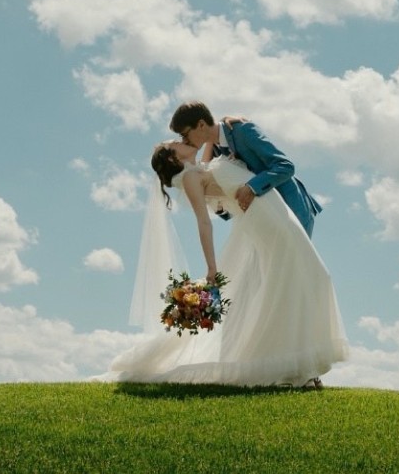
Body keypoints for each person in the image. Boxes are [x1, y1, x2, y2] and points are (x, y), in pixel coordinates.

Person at [109, 139, 349, 388]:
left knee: (299, 283)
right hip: (268, 224)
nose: (183, 140)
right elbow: (204, 223)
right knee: (309, 279)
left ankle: (299, 370)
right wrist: (211, 268)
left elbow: (210, 138)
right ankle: (298, 371)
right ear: (172, 158)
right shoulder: (190, 179)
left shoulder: (199, 169)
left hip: (275, 216)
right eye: (176, 143)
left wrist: (219, 130)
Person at [170, 101, 321, 237]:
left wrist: (251, 187)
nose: (184, 140)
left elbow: (285, 166)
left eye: (184, 134)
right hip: (264, 218)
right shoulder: (215, 150)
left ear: (201, 125)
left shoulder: (243, 130)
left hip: (291, 210)